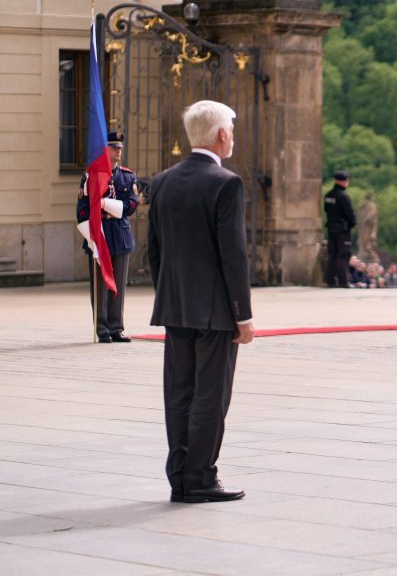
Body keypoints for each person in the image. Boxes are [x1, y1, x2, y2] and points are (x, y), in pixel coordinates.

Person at [147, 100, 254, 503]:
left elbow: (154, 252)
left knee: (178, 393)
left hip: (175, 307)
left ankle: (179, 476)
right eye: (232, 130)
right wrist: (243, 315)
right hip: (215, 312)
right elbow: (233, 257)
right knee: (210, 395)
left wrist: (170, 295)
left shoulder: (162, 182)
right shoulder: (226, 183)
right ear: (221, 134)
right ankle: (201, 478)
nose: (233, 137)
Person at [76, 132, 139, 343]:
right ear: (105, 150)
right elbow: (82, 210)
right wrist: (92, 236)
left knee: (117, 284)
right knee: (100, 285)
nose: (118, 151)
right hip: (98, 234)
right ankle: (102, 329)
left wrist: (104, 204)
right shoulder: (89, 176)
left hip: (119, 235)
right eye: (114, 148)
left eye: (120, 148)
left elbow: (131, 205)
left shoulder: (127, 176)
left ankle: (116, 328)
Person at [323, 171, 355, 287]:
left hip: (331, 228)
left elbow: (327, 211)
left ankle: (330, 280)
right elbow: (349, 214)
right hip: (342, 230)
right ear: (342, 182)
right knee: (343, 254)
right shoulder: (343, 196)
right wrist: (352, 224)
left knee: (332, 254)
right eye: (346, 181)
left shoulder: (328, 195)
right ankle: (343, 281)